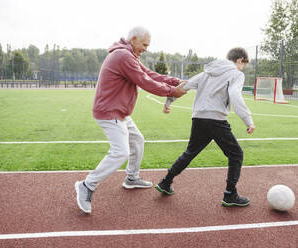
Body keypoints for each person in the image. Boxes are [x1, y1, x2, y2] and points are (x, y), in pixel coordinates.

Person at [75, 26, 187, 214]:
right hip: (110, 112)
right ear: (133, 39)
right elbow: (145, 81)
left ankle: (131, 178)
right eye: (144, 44)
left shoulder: (128, 55)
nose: (146, 48)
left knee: (137, 141)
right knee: (120, 152)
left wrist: (175, 81)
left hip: (120, 113)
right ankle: (87, 185)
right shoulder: (123, 56)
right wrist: (172, 91)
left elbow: (150, 74)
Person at [155, 47, 255, 207]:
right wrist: (248, 120)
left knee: (190, 152)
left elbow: (186, 85)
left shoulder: (207, 72)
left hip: (199, 118)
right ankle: (230, 194)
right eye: (244, 64)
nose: (243, 67)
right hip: (216, 119)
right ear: (239, 60)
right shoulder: (236, 74)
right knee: (236, 154)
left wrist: (168, 102)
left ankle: (165, 182)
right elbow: (235, 95)